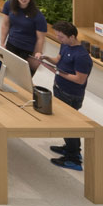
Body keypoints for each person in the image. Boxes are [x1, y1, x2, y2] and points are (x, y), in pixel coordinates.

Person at [43, 21, 92, 171]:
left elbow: (80, 79)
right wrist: (46, 59)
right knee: (63, 123)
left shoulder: (82, 56)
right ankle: (70, 147)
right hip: (58, 88)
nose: (59, 39)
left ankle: (74, 158)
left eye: (62, 37)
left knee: (68, 124)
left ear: (72, 37)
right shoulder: (65, 45)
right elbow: (58, 60)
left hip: (71, 95)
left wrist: (57, 72)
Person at [0, 0, 47, 72]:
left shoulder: (38, 16)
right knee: (5, 72)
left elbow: (40, 39)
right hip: (11, 44)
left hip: (26, 50)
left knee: (20, 76)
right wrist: (2, 43)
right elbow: (5, 25)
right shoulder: (9, 5)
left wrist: (36, 55)